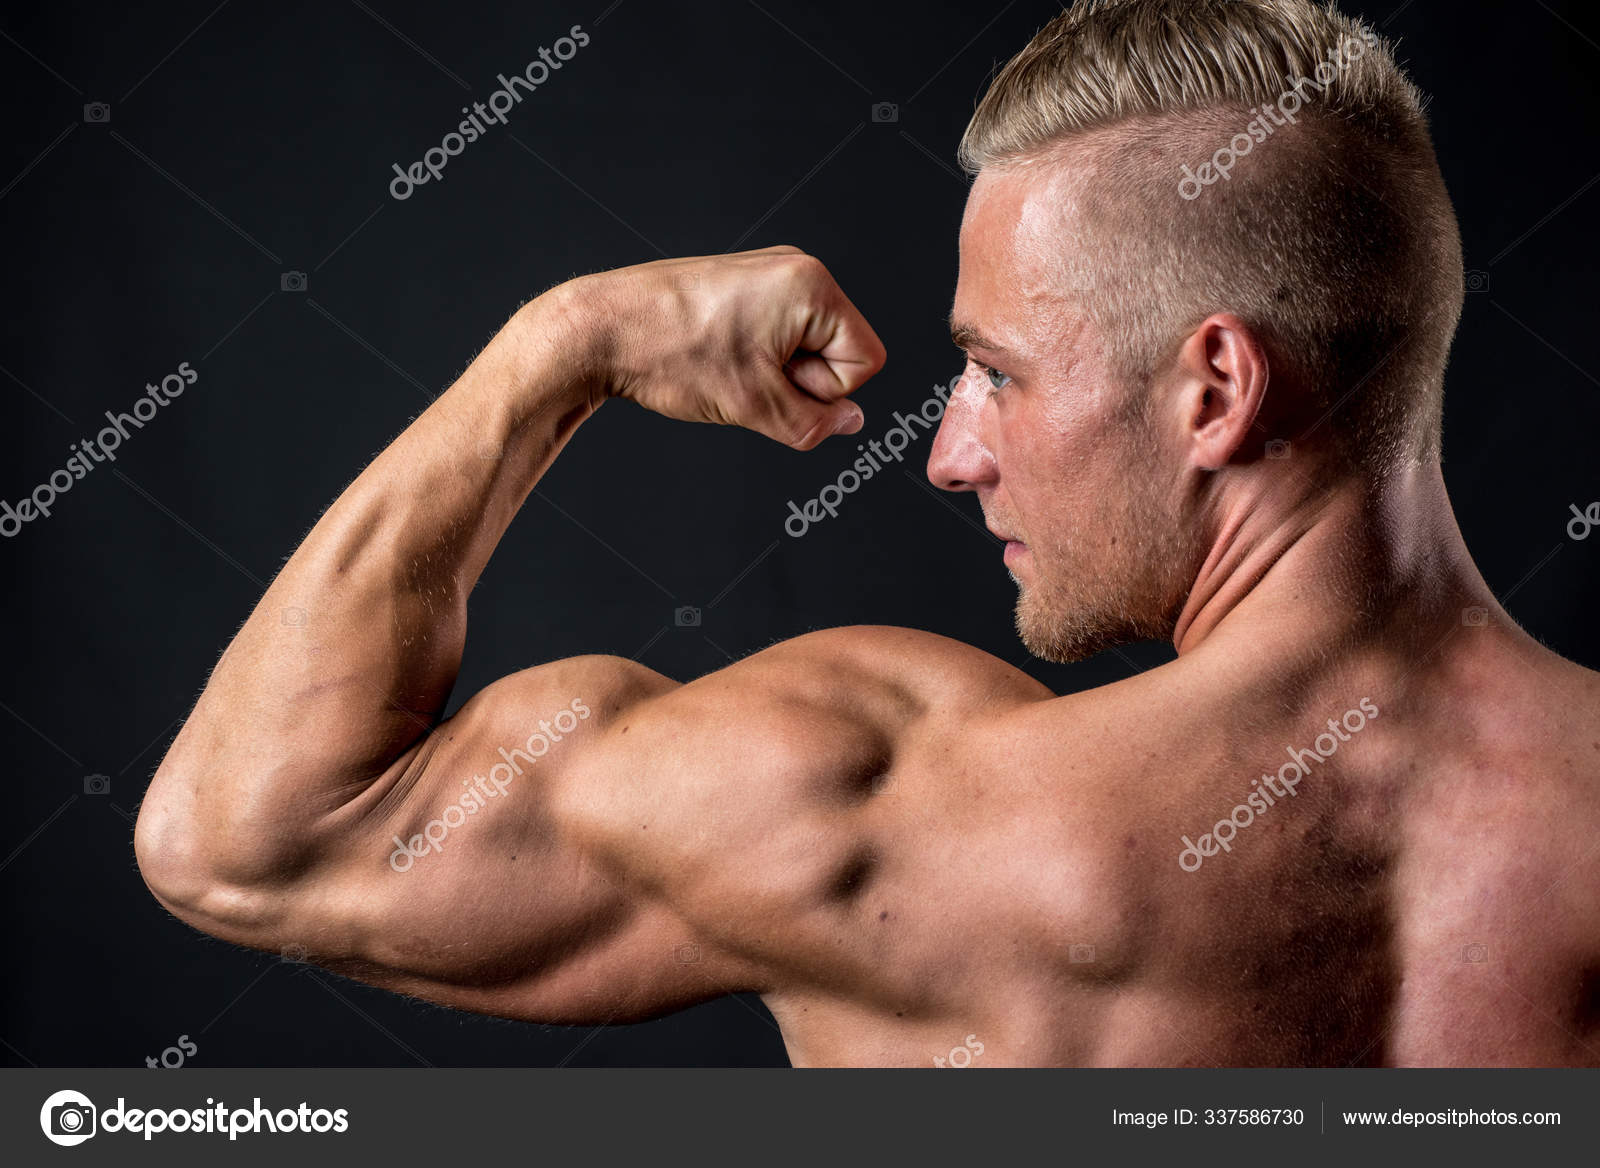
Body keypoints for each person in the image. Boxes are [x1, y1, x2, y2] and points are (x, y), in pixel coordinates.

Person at [135, 0, 1600, 1066]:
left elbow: (245, 840)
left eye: (1001, 373)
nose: (951, 454)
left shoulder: (891, 809)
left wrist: (564, 344)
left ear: (1215, 388)